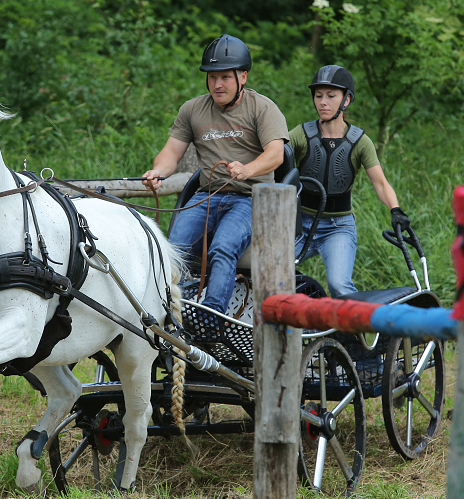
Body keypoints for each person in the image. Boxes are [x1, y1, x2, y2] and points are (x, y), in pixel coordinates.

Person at [142, 34, 288, 327]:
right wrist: (158, 171)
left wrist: (248, 169)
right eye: (212, 77)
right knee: (174, 249)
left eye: (224, 77)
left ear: (242, 76)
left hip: (250, 198)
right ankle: (169, 314)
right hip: (206, 195)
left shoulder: (263, 108)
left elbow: (276, 155)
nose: (217, 84)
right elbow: (171, 153)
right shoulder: (192, 109)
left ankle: (211, 318)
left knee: (223, 246)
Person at [289, 64, 410, 298]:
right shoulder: (301, 134)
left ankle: (352, 334)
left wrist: (396, 210)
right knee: (270, 272)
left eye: (331, 96)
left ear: (346, 100)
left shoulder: (360, 142)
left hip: (337, 228)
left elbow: (380, 183)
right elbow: (275, 158)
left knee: (339, 286)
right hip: (298, 225)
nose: (323, 102)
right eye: (318, 95)